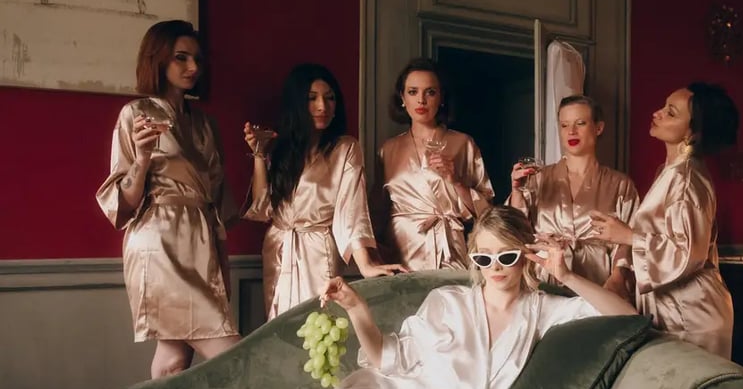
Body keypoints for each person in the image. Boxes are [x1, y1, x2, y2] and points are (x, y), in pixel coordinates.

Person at [91, 205, 636, 389]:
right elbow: (387, 360)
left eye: (508, 257)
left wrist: (567, 275)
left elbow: (626, 318)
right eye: (485, 258)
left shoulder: (546, 313)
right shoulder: (449, 300)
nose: (495, 269)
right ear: (472, 259)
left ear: (527, 257)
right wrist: (357, 310)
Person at [96, 20, 241, 379]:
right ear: (158, 59)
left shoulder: (206, 124)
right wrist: (142, 158)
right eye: (181, 57)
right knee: (236, 357)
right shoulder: (136, 114)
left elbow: (217, 199)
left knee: (173, 360)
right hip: (159, 241)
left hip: (201, 241)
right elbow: (125, 203)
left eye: (197, 59)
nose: (193, 67)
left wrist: (222, 263)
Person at [242, 63, 403, 320]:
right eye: (312, 98)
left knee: (320, 326)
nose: (322, 106)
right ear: (297, 103)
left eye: (330, 98)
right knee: (280, 327)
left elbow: (351, 211)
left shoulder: (345, 148)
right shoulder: (281, 150)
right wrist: (260, 154)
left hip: (318, 250)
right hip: (279, 248)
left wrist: (365, 264)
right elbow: (262, 208)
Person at [589, 82, 739, 358]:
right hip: (675, 309)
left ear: (693, 133)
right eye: (663, 106)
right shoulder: (671, 172)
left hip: (691, 317)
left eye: (671, 112)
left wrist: (628, 236)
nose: (657, 113)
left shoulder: (686, 179)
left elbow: (687, 254)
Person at [508, 95, 639, 300]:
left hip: (598, 279)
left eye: (580, 123)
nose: (571, 131)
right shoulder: (539, 178)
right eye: (564, 125)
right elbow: (515, 229)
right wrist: (517, 191)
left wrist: (617, 277)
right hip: (545, 277)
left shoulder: (620, 184)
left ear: (598, 128)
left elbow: (629, 239)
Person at [370, 57, 495, 271]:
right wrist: (373, 258)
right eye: (413, 92)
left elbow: (487, 211)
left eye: (430, 92)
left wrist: (456, 181)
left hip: (450, 249)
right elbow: (377, 212)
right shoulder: (388, 149)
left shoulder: (463, 144)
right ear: (402, 98)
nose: (421, 100)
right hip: (402, 252)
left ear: (441, 97)